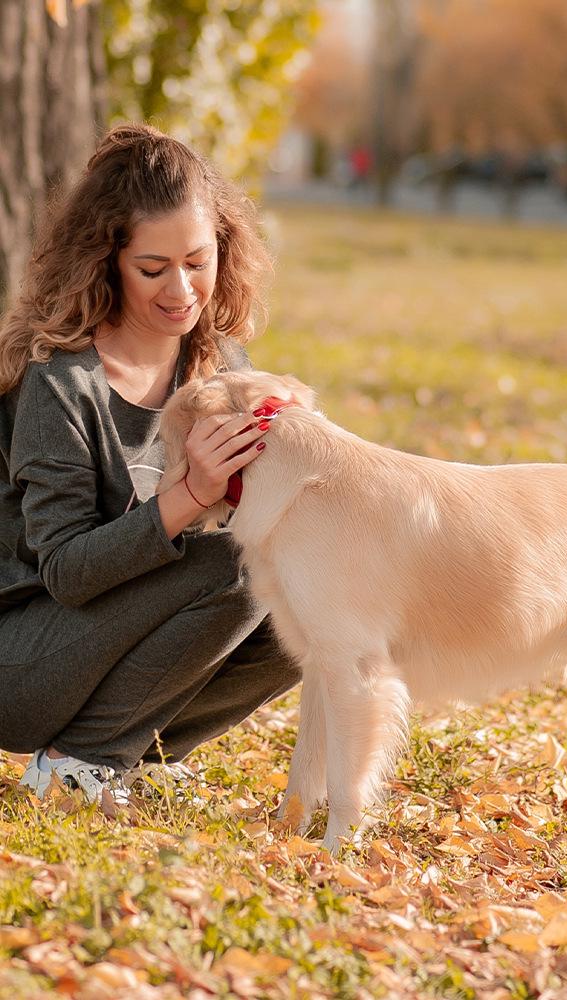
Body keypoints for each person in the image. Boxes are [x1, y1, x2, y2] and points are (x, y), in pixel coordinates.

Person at [0, 123, 302, 811]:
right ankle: (77, 764)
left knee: (309, 588)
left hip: (109, 644)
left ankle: (143, 751)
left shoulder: (219, 363)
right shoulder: (59, 383)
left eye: (198, 262)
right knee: (239, 563)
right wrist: (189, 496)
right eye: (153, 268)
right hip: (20, 657)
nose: (181, 290)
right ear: (107, 260)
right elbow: (68, 574)